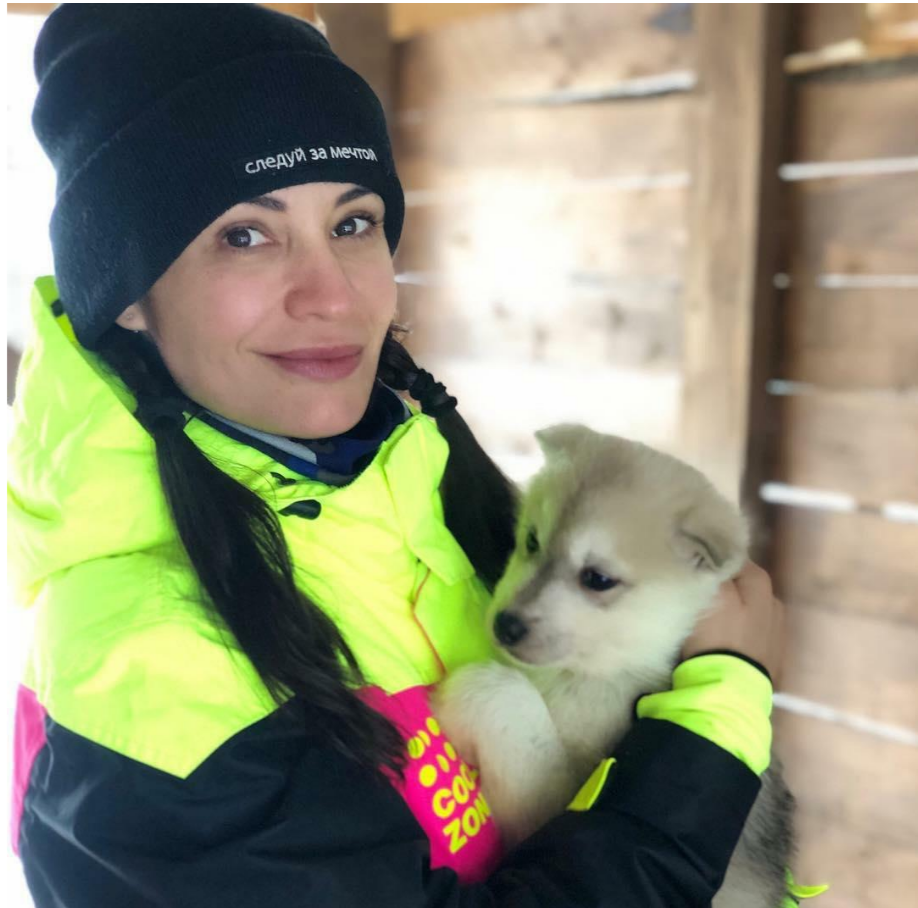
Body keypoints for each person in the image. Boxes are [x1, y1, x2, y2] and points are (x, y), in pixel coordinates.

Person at [7, 4, 786, 907]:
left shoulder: (421, 501)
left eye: (353, 223)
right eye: (245, 235)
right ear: (128, 296)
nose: (331, 295)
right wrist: (718, 715)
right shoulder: (143, 660)